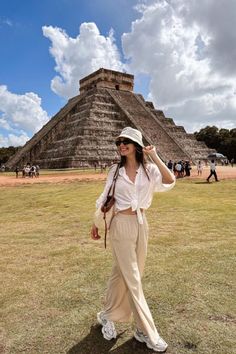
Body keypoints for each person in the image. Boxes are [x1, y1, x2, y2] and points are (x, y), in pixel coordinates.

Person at [91, 127, 175, 352]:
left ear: (136, 146)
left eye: (126, 141)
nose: (121, 145)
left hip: (141, 225)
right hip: (120, 225)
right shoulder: (114, 171)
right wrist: (96, 222)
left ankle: (106, 315)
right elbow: (104, 197)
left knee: (122, 273)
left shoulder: (149, 170)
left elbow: (170, 180)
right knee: (134, 278)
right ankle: (145, 330)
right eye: (119, 142)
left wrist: (154, 156)